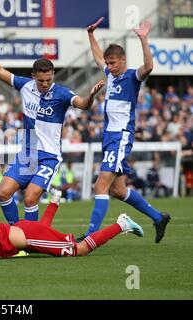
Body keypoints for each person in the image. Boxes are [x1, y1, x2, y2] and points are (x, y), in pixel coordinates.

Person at [0, 27, 105, 225]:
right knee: (3, 192)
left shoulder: (62, 94)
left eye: (49, 79)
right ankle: (18, 236)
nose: (45, 83)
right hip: (27, 153)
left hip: (48, 156)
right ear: (34, 76)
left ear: (53, 75)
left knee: (30, 197)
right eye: (41, 80)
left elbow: (83, 105)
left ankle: (29, 239)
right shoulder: (25, 86)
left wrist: (91, 95)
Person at [79, 17, 170, 243]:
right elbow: (98, 55)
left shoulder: (131, 76)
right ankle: (158, 217)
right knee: (118, 191)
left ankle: (90, 236)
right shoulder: (111, 74)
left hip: (120, 136)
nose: (108, 67)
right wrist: (90, 35)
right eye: (107, 64)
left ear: (123, 60)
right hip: (109, 136)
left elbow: (148, 66)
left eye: (112, 63)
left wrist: (143, 38)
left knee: (100, 185)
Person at [0, 189, 144, 263]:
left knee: (79, 250)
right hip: (23, 235)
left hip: (27, 237)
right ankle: (54, 203)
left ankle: (121, 224)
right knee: (49, 233)